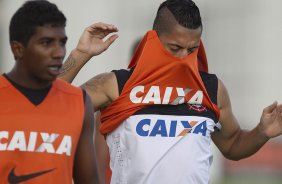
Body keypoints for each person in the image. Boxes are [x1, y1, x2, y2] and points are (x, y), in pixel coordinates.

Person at [59, 0, 282, 183]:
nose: (183, 57)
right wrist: (81, 53)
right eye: (174, 48)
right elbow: (54, 103)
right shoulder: (116, 84)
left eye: (192, 49)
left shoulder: (212, 88)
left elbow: (232, 144)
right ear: (153, 39)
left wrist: (262, 131)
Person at [0, 0, 99, 183]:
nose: (59, 52)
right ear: (18, 49)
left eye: (62, 42)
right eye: (46, 43)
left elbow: (89, 179)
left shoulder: (79, 101)